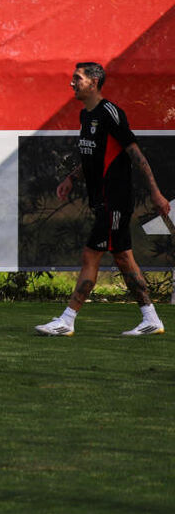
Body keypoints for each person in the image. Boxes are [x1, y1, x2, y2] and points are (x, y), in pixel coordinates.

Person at [35, 62, 170, 337]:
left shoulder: (110, 113)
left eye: (77, 78)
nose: (72, 83)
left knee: (91, 254)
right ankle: (151, 318)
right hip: (103, 200)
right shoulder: (87, 116)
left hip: (115, 199)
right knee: (122, 257)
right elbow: (92, 158)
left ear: (94, 82)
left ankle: (67, 319)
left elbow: (136, 155)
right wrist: (72, 177)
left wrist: (155, 192)